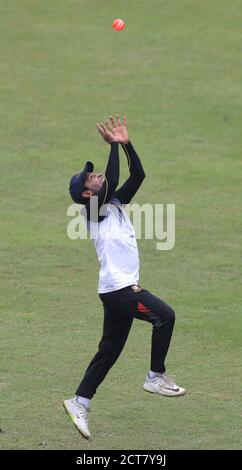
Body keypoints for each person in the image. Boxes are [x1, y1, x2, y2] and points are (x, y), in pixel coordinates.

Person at [64, 115, 185, 439]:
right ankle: (155, 376)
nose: (97, 175)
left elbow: (137, 175)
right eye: (91, 178)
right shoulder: (90, 210)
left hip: (114, 290)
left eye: (94, 173)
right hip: (120, 290)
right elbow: (113, 179)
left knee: (109, 351)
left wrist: (127, 143)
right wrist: (113, 146)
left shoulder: (113, 204)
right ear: (87, 195)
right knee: (165, 316)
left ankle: (79, 401)